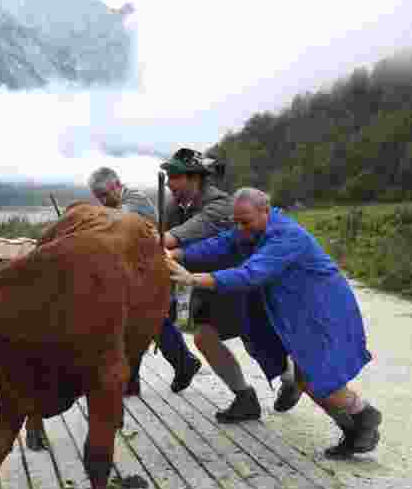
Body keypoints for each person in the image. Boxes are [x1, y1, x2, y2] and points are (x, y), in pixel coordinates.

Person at [166, 188, 383, 458]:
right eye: (237, 222)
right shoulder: (251, 229)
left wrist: (194, 279)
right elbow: (220, 243)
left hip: (321, 308)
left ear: (265, 211)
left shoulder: (285, 237)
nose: (240, 229)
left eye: (245, 221)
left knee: (316, 378)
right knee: (308, 377)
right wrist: (177, 255)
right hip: (293, 309)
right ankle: (355, 429)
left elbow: (250, 274)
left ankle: (364, 415)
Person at [159, 148, 297, 420]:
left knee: (256, 340)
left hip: (238, 284)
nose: (169, 182)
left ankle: (290, 378)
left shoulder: (220, 205)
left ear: (195, 178)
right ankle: (245, 397)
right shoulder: (174, 206)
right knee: (205, 338)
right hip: (206, 287)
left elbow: (177, 237)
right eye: (168, 176)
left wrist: (153, 245)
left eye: (174, 175)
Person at [87, 166, 200, 395]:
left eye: (106, 196)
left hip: (150, 268)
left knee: (150, 321)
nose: (103, 202)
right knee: (137, 322)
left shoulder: (134, 200)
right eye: (99, 198)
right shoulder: (118, 203)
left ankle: (184, 362)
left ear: (117, 186)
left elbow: (118, 223)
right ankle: (134, 380)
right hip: (136, 269)